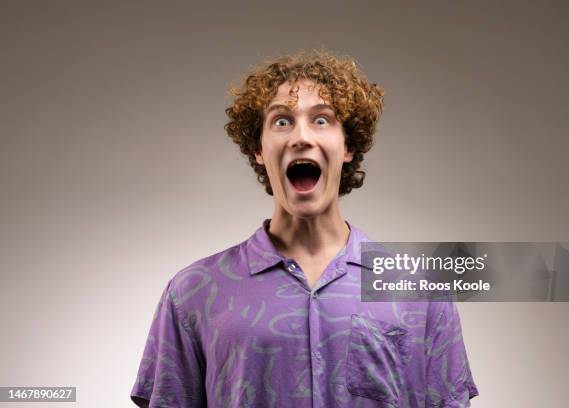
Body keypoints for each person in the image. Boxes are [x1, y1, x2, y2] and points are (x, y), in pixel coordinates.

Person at [130, 49, 479, 407]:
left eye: (322, 120)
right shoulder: (193, 293)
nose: (301, 137)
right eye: (281, 121)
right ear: (258, 150)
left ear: (347, 146)